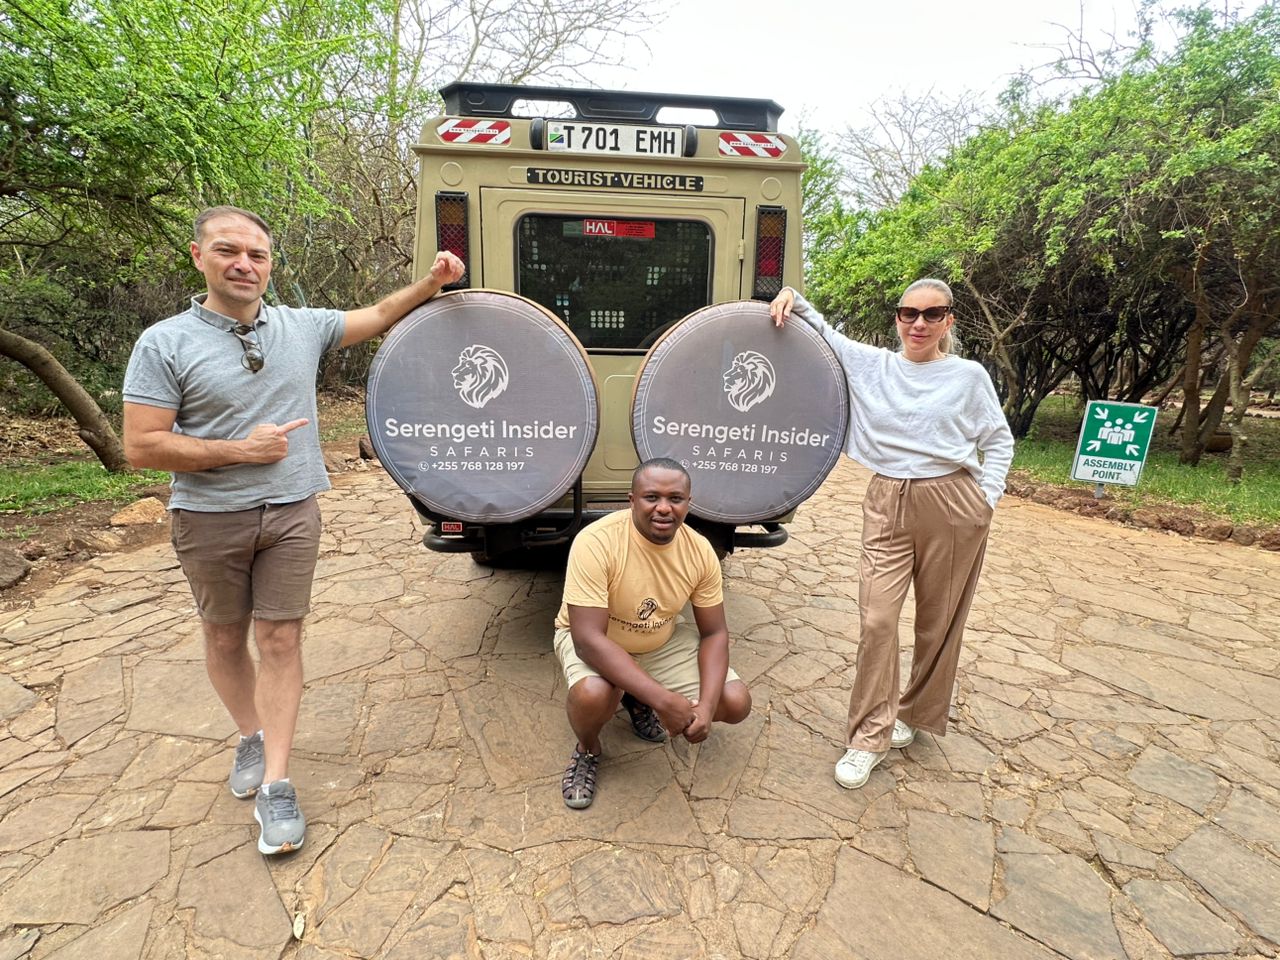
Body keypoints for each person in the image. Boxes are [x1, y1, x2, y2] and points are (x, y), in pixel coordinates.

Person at [122, 205, 464, 854]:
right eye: (228, 251)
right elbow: (140, 447)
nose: (244, 264)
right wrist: (238, 451)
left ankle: (276, 779)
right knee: (225, 639)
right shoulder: (164, 343)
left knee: (279, 639)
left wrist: (430, 284)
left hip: (292, 512)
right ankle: (249, 733)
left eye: (257, 254)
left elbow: (378, 315)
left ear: (270, 264)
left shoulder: (301, 328)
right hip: (208, 518)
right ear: (200, 257)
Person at [769, 280, 1013, 790]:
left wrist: (984, 501)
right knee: (878, 619)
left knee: (937, 622)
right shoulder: (875, 365)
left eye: (931, 314)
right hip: (887, 503)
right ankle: (867, 736)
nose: (918, 323)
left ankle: (913, 714)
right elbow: (824, 333)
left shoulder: (968, 376)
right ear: (897, 318)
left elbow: (999, 440)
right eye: (908, 313)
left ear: (949, 320)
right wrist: (790, 293)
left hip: (952, 501)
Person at [555, 458, 753, 809]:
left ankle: (634, 694)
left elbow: (715, 633)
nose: (664, 508)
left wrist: (705, 708)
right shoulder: (596, 542)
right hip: (599, 641)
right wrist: (663, 701)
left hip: (660, 639)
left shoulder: (699, 551)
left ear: (688, 503)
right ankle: (588, 748)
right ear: (631, 500)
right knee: (593, 694)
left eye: (675, 498)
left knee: (735, 702)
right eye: (651, 497)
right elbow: (587, 640)